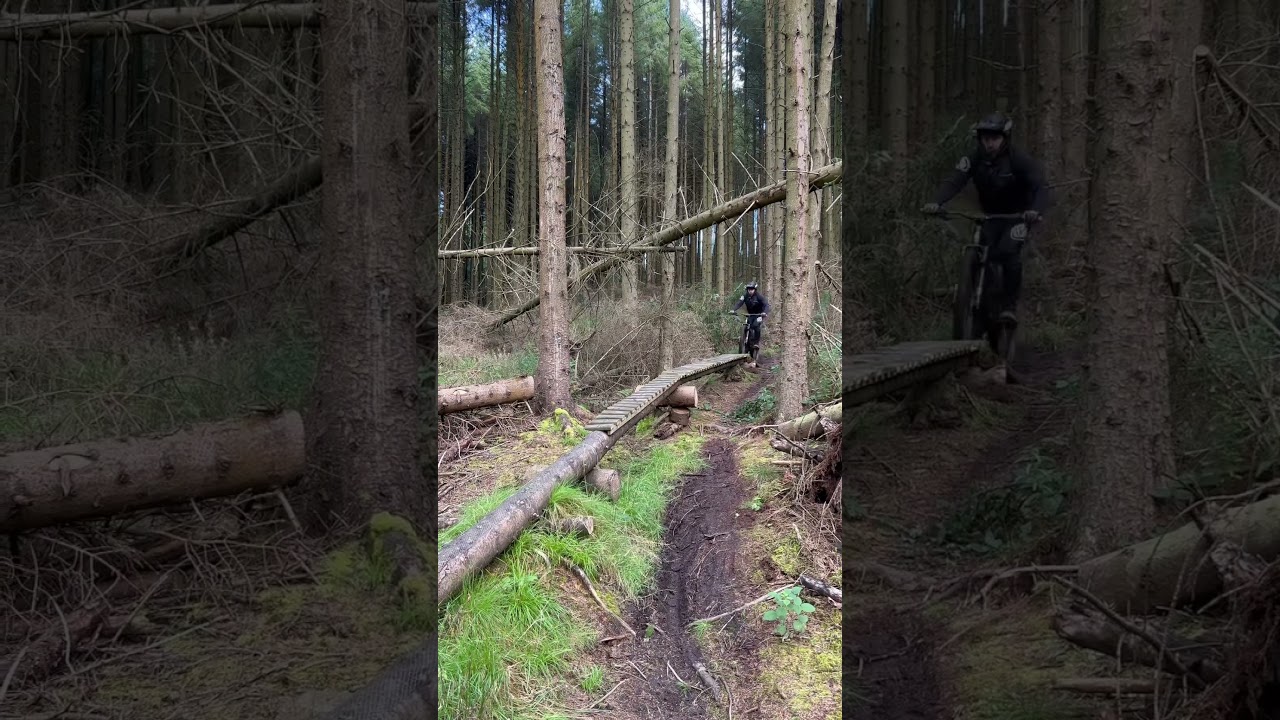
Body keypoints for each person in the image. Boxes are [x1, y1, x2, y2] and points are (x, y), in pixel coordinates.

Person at [922, 112, 1049, 324]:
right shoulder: (974, 158)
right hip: (990, 216)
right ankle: (976, 300)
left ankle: (1009, 307)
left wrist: (1035, 210)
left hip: (1017, 216)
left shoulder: (1019, 159)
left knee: (1009, 252)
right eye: (985, 138)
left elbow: (1040, 187)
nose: (989, 143)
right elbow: (955, 180)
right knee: (982, 251)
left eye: (994, 138)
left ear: (1005, 138)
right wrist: (936, 202)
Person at [730, 281, 770, 356]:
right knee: (747, 326)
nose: (750, 291)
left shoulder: (759, 296)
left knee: (756, 326)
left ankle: (756, 343)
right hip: (750, 315)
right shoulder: (745, 295)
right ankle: (746, 344)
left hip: (759, 314)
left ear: (755, 289)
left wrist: (764, 312)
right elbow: (739, 302)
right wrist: (733, 309)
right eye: (749, 289)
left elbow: (766, 305)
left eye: (752, 289)